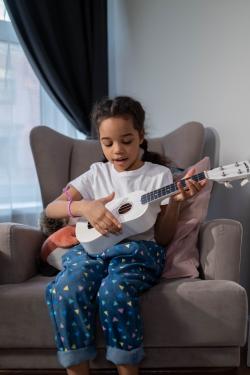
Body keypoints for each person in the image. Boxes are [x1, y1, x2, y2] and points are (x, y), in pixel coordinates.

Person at [45, 96, 206, 375]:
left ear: (141, 136)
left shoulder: (160, 176)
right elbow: (52, 207)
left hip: (137, 253)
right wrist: (85, 206)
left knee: (114, 291)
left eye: (127, 140)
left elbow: (165, 237)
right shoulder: (95, 174)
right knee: (65, 288)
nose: (117, 150)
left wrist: (176, 203)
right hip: (92, 251)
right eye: (107, 143)